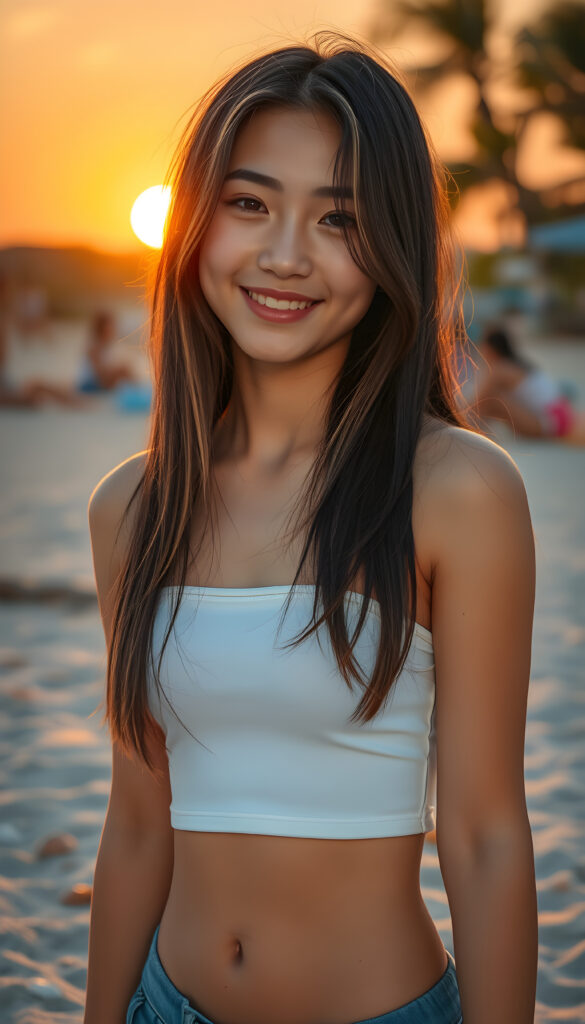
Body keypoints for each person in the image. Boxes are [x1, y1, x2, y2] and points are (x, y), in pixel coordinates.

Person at [84, 33, 538, 1024]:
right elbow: (135, 822)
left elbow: (486, 834)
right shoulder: (131, 508)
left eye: (338, 219)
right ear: (196, 227)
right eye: (250, 204)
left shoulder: (458, 489)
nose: (285, 255)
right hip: (169, 1005)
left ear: (393, 248)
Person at [470, 324, 585, 445]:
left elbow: (478, 400)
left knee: (494, 398)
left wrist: (455, 415)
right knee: (492, 402)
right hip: (560, 417)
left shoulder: (501, 369)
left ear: (490, 349)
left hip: (549, 423)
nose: (480, 350)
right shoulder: (518, 364)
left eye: (482, 346)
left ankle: (467, 432)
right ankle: (473, 432)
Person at [77, 311, 137, 393]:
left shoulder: (106, 346)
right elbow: (100, 375)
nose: (112, 330)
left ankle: (134, 389)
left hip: (98, 381)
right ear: (101, 329)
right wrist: (116, 372)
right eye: (109, 327)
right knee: (123, 369)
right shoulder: (94, 347)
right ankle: (135, 390)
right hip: (89, 385)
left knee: (125, 367)